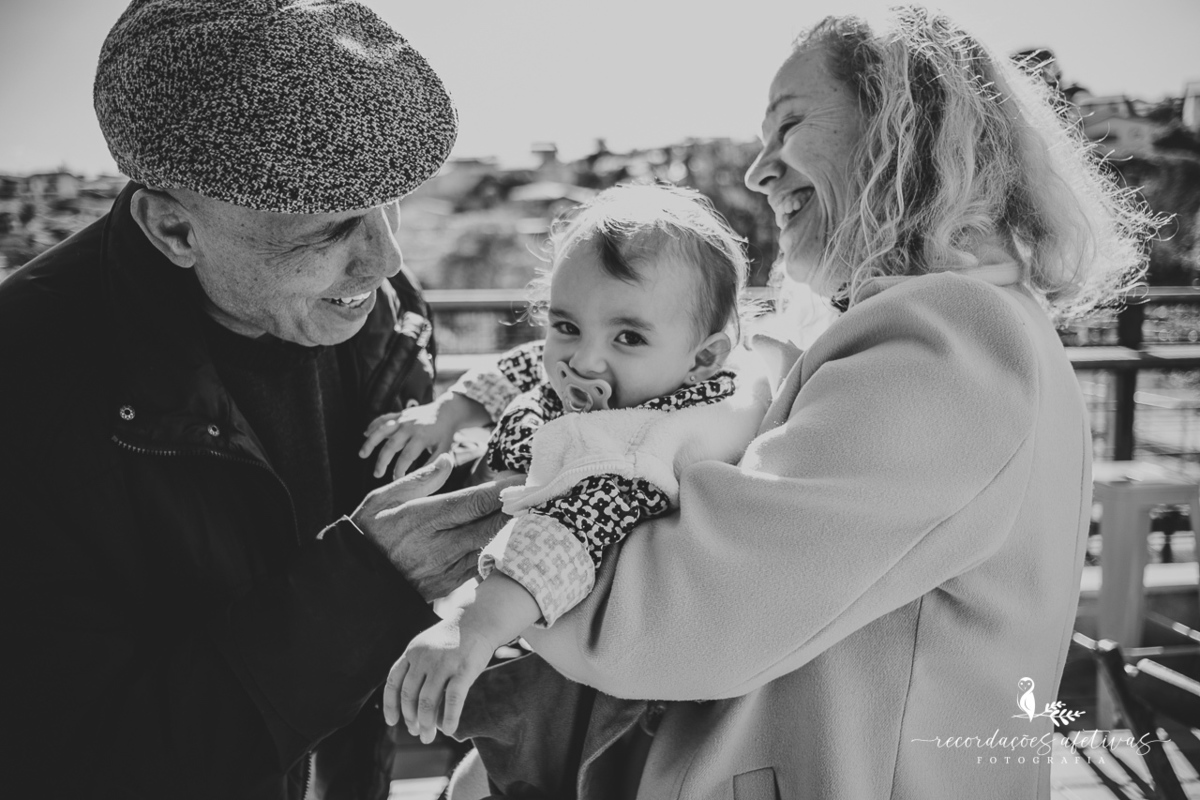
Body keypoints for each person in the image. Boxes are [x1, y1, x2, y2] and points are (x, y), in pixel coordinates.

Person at [402, 8, 1157, 799]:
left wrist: (512, 571)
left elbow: (685, 616)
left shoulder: (947, 337)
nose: (761, 172)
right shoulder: (982, 324)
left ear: (904, 132)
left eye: (790, 127)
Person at [0, 1, 509, 797]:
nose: (386, 258)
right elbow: (74, 754)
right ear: (174, 231)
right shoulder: (23, 386)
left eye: (390, 201)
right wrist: (369, 585)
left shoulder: (385, 307)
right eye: (331, 228)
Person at [360, 184, 770, 743]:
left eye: (627, 336)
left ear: (704, 358)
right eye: (567, 326)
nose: (583, 359)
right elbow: (531, 364)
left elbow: (570, 532)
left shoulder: (638, 445)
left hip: (569, 665)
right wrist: (450, 412)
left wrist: (468, 630)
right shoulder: (623, 376)